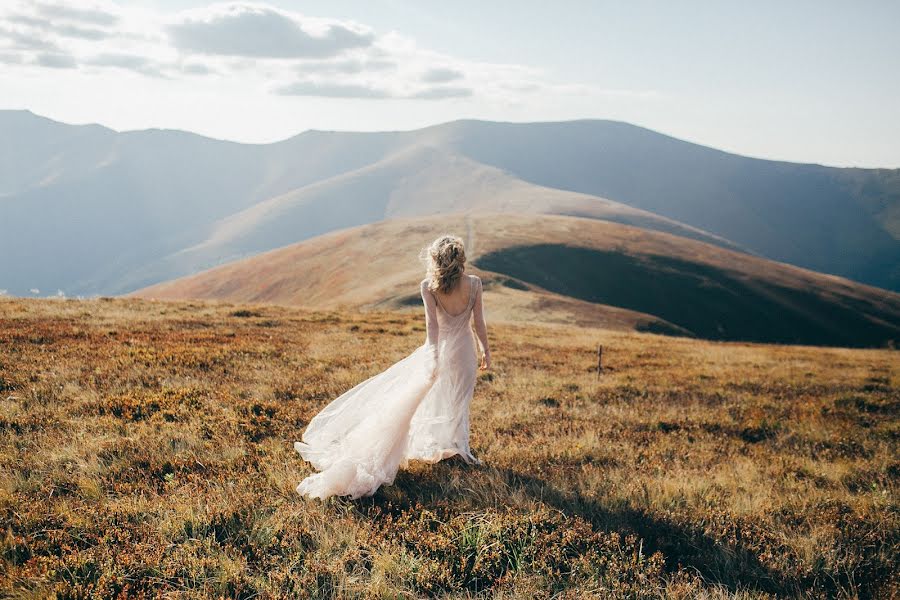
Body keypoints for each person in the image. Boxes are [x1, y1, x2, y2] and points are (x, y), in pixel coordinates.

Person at [293, 234, 491, 500]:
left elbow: (432, 328)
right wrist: (485, 351)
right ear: (460, 259)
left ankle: (453, 448)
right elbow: (479, 322)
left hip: (441, 350)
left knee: (438, 399)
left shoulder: (429, 286)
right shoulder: (475, 284)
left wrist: (432, 356)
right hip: (465, 351)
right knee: (459, 399)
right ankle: (457, 449)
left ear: (436, 259)